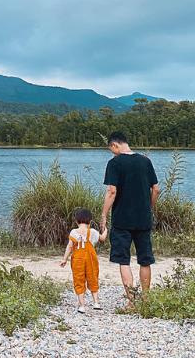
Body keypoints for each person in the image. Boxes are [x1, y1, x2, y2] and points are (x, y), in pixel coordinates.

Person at [100, 131, 160, 307]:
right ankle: (146, 298)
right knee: (145, 259)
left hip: (122, 220)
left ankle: (131, 301)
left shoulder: (114, 163)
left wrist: (104, 214)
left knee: (123, 260)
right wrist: (150, 208)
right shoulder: (145, 161)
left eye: (112, 149)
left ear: (115, 145)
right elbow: (155, 189)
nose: (113, 153)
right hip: (143, 219)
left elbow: (112, 190)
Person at [60, 207, 102, 313]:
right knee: (93, 278)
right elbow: (102, 238)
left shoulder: (74, 232)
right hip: (91, 260)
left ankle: (82, 306)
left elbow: (69, 246)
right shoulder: (92, 232)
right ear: (90, 221)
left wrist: (64, 259)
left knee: (79, 280)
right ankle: (96, 303)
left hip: (77, 260)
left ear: (76, 221)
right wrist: (105, 231)